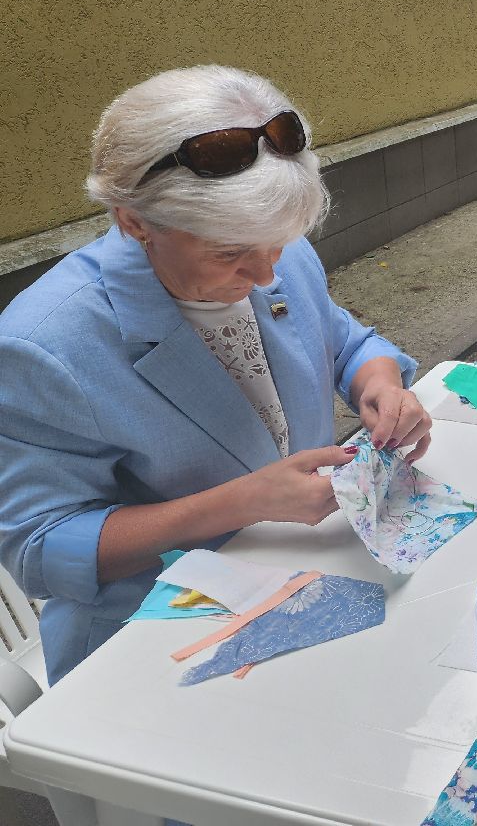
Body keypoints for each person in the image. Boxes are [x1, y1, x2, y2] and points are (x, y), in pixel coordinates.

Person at [0, 66, 429, 684]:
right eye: (229, 254)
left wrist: (381, 384)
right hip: (154, 633)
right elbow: (38, 548)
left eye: (279, 245)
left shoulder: (272, 246)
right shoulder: (43, 345)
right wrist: (242, 502)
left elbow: (341, 341)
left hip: (302, 576)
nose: (263, 275)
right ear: (134, 222)